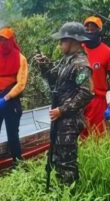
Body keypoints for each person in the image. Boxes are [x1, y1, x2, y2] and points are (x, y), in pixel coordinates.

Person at [34, 22, 93, 184]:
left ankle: (70, 197)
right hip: (60, 120)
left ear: (73, 41)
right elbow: (54, 79)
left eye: (62, 41)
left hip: (69, 121)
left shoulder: (80, 64)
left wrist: (62, 109)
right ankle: (62, 194)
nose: (59, 44)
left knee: (67, 162)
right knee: (58, 158)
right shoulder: (66, 60)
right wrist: (44, 65)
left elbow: (86, 92)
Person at [0, 27, 28, 161]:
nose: (2, 42)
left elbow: (21, 83)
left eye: (5, 39)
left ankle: (17, 162)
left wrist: (7, 98)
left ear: (11, 40)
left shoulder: (21, 59)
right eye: (0, 39)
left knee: (13, 134)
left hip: (11, 101)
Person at [81, 15, 110, 138]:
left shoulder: (108, 53)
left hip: (97, 101)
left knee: (96, 138)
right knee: (79, 138)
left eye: (93, 29)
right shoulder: (78, 50)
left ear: (99, 31)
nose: (90, 31)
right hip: (77, 101)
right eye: (87, 28)